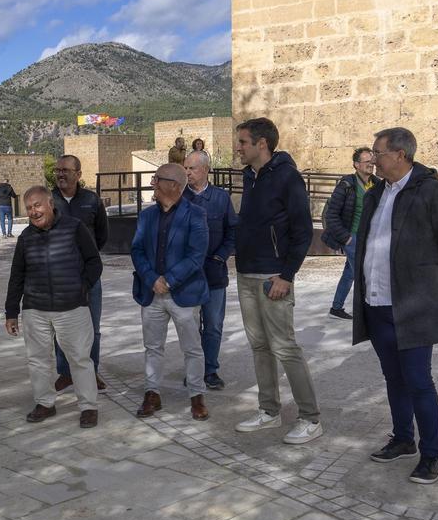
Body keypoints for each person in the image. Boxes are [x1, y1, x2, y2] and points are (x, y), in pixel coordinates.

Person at [355, 127, 438, 484]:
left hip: (412, 308)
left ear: (401, 155)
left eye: (378, 153)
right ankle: (403, 438)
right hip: (376, 304)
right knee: (393, 378)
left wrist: (432, 288)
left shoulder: (432, 193)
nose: (373, 159)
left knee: (419, 381)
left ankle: (431, 454)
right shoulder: (377, 195)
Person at [231, 117, 323, 445]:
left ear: (261, 144)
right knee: (259, 347)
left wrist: (287, 275)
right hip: (246, 274)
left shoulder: (287, 177)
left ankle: (311, 418)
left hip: (274, 278)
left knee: (285, 347)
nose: (238, 147)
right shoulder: (248, 176)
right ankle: (269, 412)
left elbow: (303, 232)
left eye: (243, 142)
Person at [5, 186, 103, 428]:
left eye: (37, 205)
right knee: (37, 359)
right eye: (29, 208)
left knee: (80, 358)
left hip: (72, 307)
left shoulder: (74, 227)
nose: (33, 211)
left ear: (50, 204)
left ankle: (88, 407)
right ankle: (45, 403)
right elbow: (16, 275)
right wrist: (11, 311)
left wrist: (82, 287)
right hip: (35, 308)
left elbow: (94, 262)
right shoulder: (26, 237)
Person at [132, 163, 210, 421]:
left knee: (192, 348)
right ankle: (152, 393)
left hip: (184, 294)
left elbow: (196, 255)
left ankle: (197, 396)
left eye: (157, 179)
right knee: (152, 347)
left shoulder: (196, 214)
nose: (152, 183)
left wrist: (169, 280)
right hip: (151, 293)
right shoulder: (146, 216)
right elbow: (137, 250)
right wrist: (153, 279)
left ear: (174, 185)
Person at [51, 154, 108, 392]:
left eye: (66, 170)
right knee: (61, 328)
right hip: (58, 278)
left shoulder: (91, 200)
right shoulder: (49, 199)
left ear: (79, 174)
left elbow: (102, 236)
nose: (61, 174)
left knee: (91, 328)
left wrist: (89, 260)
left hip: (89, 277)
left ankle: (91, 372)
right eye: (58, 170)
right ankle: (65, 372)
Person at [182, 150, 237, 390]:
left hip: (214, 273)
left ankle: (210, 370)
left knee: (213, 325)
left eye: (191, 168)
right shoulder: (179, 198)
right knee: (190, 327)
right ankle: (194, 371)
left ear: (205, 170)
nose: (187, 172)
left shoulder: (221, 198)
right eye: (185, 168)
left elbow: (232, 232)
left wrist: (220, 256)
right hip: (188, 277)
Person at [323, 147, 376, 320]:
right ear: (356, 165)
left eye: (372, 161)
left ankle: (336, 308)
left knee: (350, 273)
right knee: (363, 274)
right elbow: (331, 215)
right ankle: (366, 312)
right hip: (352, 238)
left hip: (369, 239)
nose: (371, 164)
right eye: (366, 161)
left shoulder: (376, 184)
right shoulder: (347, 184)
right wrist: (346, 238)